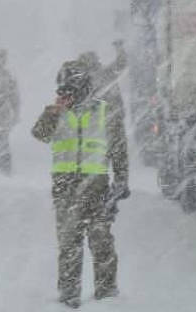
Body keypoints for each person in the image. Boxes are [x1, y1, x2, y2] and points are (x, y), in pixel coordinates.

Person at [31, 56, 129, 309]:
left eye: (69, 90)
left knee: (101, 240)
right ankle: (68, 297)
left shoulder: (105, 112)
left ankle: (107, 294)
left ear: (83, 87)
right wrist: (54, 112)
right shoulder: (55, 113)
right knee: (69, 244)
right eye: (61, 90)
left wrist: (121, 181)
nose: (65, 95)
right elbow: (39, 134)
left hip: (97, 187)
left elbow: (119, 149)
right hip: (65, 188)